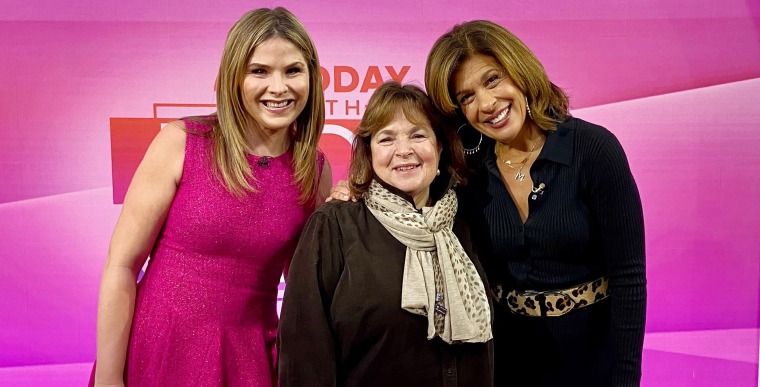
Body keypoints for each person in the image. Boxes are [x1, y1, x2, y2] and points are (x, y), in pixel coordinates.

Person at [90, 7, 331, 387]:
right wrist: (108, 377)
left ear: (312, 79)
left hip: (250, 360)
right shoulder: (183, 141)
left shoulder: (312, 169)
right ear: (233, 78)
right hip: (159, 352)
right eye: (259, 71)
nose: (279, 87)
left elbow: (304, 290)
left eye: (293, 70)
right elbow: (121, 266)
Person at [424, 20, 647, 386]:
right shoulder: (468, 172)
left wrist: (625, 378)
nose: (487, 104)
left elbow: (629, 279)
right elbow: (410, 200)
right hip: (507, 363)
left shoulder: (593, 149)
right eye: (467, 97)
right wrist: (354, 192)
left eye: (492, 80)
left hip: (592, 361)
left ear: (518, 71)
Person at [278, 81, 493, 387]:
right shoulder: (334, 225)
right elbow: (304, 353)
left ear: (440, 146)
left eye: (418, 135)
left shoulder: (465, 220)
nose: (403, 151)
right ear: (369, 151)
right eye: (386, 139)